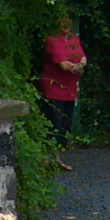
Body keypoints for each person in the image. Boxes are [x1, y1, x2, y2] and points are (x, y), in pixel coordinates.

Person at [38, 17, 86, 170]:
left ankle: (55, 158)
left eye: (68, 21)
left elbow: (83, 58)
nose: (66, 24)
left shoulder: (73, 39)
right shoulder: (53, 40)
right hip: (54, 89)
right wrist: (76, 66)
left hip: (69, 90)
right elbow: (64, 65)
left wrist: (79, 65)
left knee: (65, 126)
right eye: (62, 20)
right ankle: (48, 159)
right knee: (54, 124)